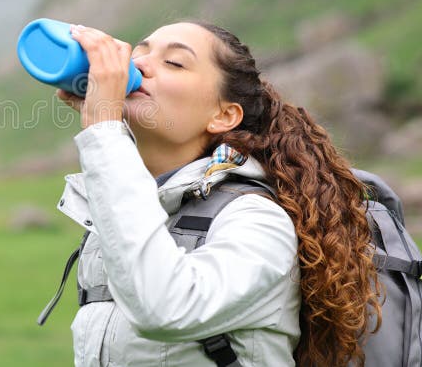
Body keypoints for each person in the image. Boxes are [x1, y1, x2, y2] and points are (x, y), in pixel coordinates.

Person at [52, 21, 381, 366]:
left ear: (223, 115)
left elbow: (163, 307)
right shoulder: (126, 207)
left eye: (174, 63)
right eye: (139, 53)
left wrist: (103, 131)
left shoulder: (256, 220)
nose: (138, 66)